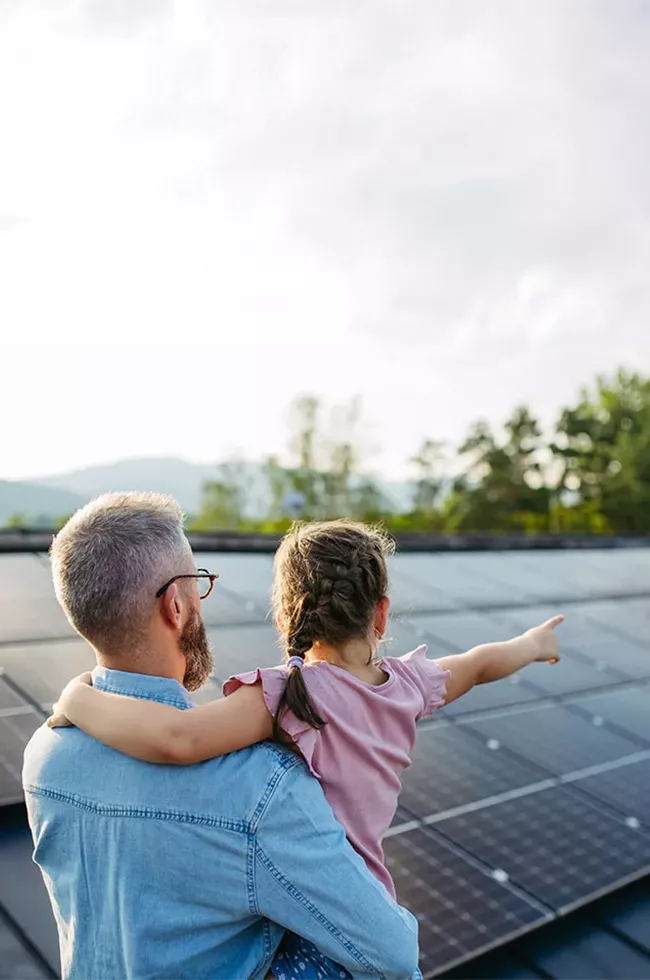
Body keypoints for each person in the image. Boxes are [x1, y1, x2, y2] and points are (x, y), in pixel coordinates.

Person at [50, 516, 563, 978]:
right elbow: (477, 663)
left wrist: (77, 697)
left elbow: (176, 739)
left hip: (315, 938)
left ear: (285, 618)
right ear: (380, 615)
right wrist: (532, 645)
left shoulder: (288, 696)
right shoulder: (408, 685)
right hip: (363, 906)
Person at [23, 494, 421, 980]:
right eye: (199, 585)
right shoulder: (261, 788)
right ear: (175, 606)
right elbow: (393, 955)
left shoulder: (43, 757)